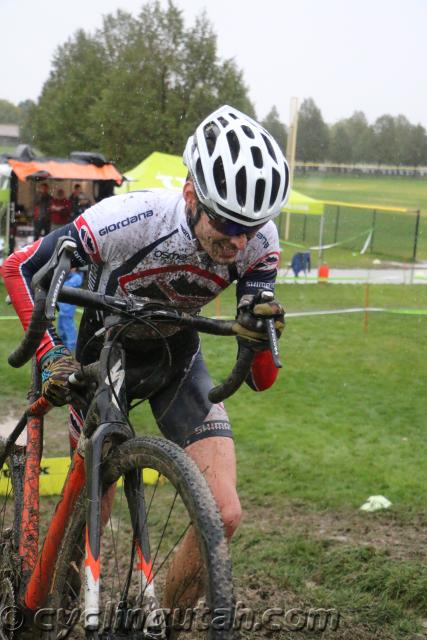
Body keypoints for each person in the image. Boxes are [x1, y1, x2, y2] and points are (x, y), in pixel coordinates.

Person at [2, 105, 288, 615]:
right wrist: (49, 354)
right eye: (226, 221)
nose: (239, 240)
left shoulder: (259, 243)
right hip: (101, 355)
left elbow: (263, 380)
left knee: (222, 513)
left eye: (252, 224)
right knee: (96, 498)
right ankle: (54, 613)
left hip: (176, 359)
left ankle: (162, 627)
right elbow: (16, 267)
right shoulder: (131, 220)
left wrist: (261, 333)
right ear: (190, 195)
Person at [57, 269, 84, 351]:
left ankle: (71, 348)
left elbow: (63, 287)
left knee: (69, 328)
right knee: (61, 329)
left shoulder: (77, 277)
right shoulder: (67, 277)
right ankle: (63, 347)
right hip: (62, 309)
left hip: (68, 309)